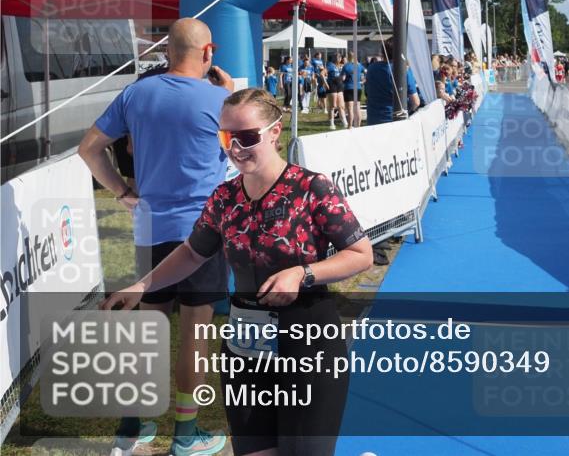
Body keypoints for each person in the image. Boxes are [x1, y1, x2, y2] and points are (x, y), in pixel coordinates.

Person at [102, 89, 373, 456]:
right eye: (225, 137)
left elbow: (360, 254)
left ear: (275, 132)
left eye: (246, 137)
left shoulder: (312, 188)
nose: (235, 148)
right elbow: (191, 253)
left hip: (309, 345)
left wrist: (303, 274)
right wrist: (141, 285)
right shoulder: (224, 197)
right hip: (246, 350)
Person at [79, 18, 232, 456]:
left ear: (168, 51)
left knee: (149, 325)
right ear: (208, 52)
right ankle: (185, 435)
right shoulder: (218, 99)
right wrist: (228, 89)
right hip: (203, 231)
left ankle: (134, 425)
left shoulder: (135, 93)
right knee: (195, 331)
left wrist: (122, 192)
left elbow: (89, 148)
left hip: (150, 227)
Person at [364, 42, 420, 125]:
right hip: (395, 122)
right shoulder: (404, 70)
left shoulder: (371, 68)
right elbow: (416, 102)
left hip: (373, 120)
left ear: (382, 52)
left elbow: (367, 92)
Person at [341, 52, 365, 128]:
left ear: (348, 57)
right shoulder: (359, 65)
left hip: (349, 87)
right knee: (357, 107)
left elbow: (343, 78)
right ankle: (358, 126)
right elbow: (365, 73)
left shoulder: (346, 66)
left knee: (350, 109)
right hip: (358, 87)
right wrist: (362, 81)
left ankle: (350, 126)